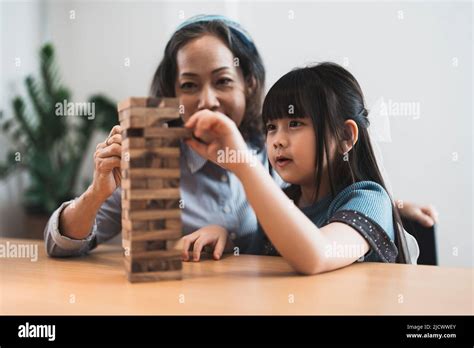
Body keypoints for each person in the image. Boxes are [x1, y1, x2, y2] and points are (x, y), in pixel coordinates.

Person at [44, 15, 437, 263]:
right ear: (170, 95)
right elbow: (65, 245)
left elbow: (334, 209)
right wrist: (95, 194)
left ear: (249, 85)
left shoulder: (277, 165)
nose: (206, 100)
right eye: (188, 85)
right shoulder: (150, 156)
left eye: (223, 81)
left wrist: (394, 206)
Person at [183, 62, 420, 273]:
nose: (277, 140)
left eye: (294, 123)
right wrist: (226, 240)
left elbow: (317, 255)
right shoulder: (284, 202)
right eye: (271, 127)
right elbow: (258, 264)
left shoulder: (369, 200)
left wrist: (244, 165)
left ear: (346, 137)